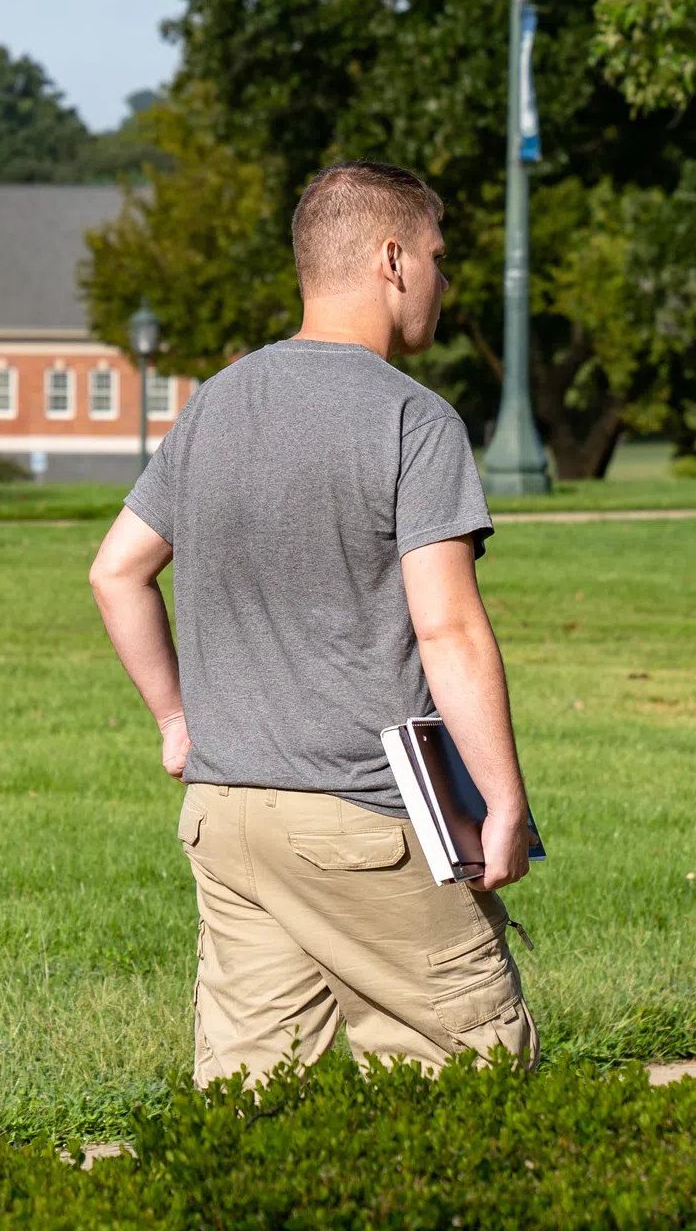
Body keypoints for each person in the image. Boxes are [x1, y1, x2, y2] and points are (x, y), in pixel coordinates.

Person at [88, 160, 538, 1084]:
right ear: (392, 259)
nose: (444, 281)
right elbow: (447, 628)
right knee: (474, 1076)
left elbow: (116, 571)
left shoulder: (211, 404)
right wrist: (500, 804)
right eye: (438, 256)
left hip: (226, 818)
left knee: (253, 1102)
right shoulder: (414, 419)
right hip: (364, 820)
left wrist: (179, 724)